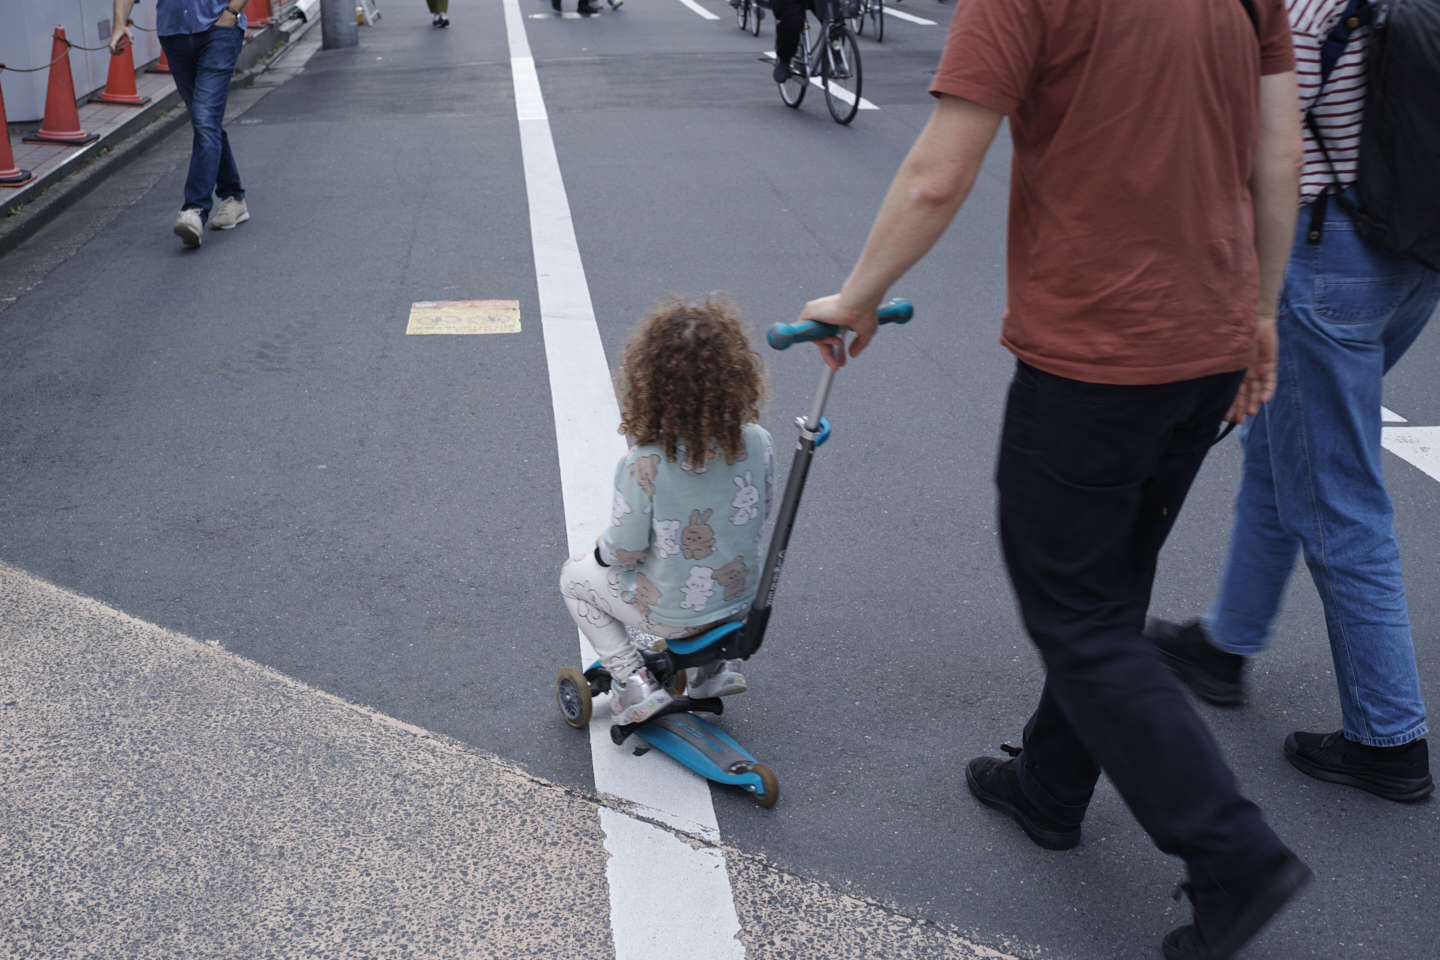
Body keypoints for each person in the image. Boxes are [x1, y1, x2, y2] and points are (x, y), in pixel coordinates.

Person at [792, 0, 1313, 955]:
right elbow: (1279, 158)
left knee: (1074, 611)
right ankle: (1051, 784)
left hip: (1095, 358)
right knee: (1112, 578)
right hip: (1209, 341)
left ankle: (1232, 854)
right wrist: (1262, 313)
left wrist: (855, 297)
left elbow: (938, 175)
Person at [1146, 0, 1438, 804]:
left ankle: (1389, 739)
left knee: (1337, 496)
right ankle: (1224, 644)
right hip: (1412, 258)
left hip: (1325, 264)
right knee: (1282, 449)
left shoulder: (1306, 13)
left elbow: (1254, 149)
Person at [560, 297, 774, 725]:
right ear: (738, 377)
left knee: (573, 578)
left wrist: (603, 550)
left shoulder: (644, 463)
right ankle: (715, 669)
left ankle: (631, 680)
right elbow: (758, 512)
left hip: (672, 615)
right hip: (737, 603)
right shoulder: (757, 441)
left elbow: (625, 551)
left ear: (649, 386)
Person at [110, 0, 249, 248]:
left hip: (218, 31)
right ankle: (234, 197)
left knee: (206, 119)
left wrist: (230, 14)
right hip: (174, 36)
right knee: (205, 120)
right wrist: (119, 22)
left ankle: (194, 210)